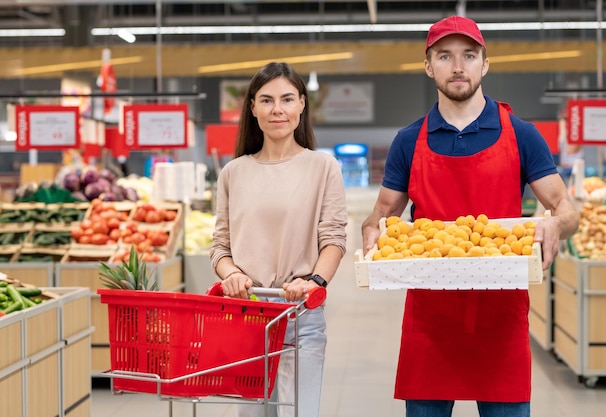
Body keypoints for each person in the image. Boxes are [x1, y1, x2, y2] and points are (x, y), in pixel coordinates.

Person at [361, 15, 579, 417]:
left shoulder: (521, 134)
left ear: (485, 63)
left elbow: (566, 210)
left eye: (469, 55)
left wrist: (554, 224)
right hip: (431, 318)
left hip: (501, 317)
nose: (458, 67)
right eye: (444, 56)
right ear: (429, 67)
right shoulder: (409, 141)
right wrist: (372, 235)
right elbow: (378, 217)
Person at [208, 62, 348, 417]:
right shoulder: (234, 172)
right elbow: (221, 247)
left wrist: (314, 280)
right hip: (247, 314)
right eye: (267, 100)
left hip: (301, 314)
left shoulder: (323, 167)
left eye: (287, 99)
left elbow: (333, 239)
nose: (277, 110)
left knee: (299, 412)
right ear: (253, 108)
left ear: (302, 104)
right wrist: (231, 275)